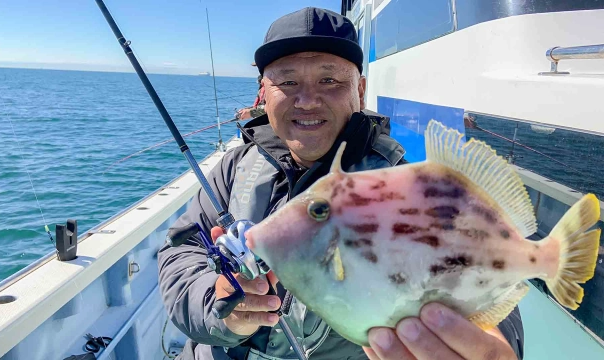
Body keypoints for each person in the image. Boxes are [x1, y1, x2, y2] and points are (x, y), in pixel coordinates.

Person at [158, 7, 524, 360]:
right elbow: (181, 251)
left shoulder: (398, 183)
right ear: (264, 92)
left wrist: (494, 341)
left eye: (329, 80)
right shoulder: (234, 168)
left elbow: (473, 260)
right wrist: (220, 308)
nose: (307, 100)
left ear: (360, 90)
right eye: (287, 81)